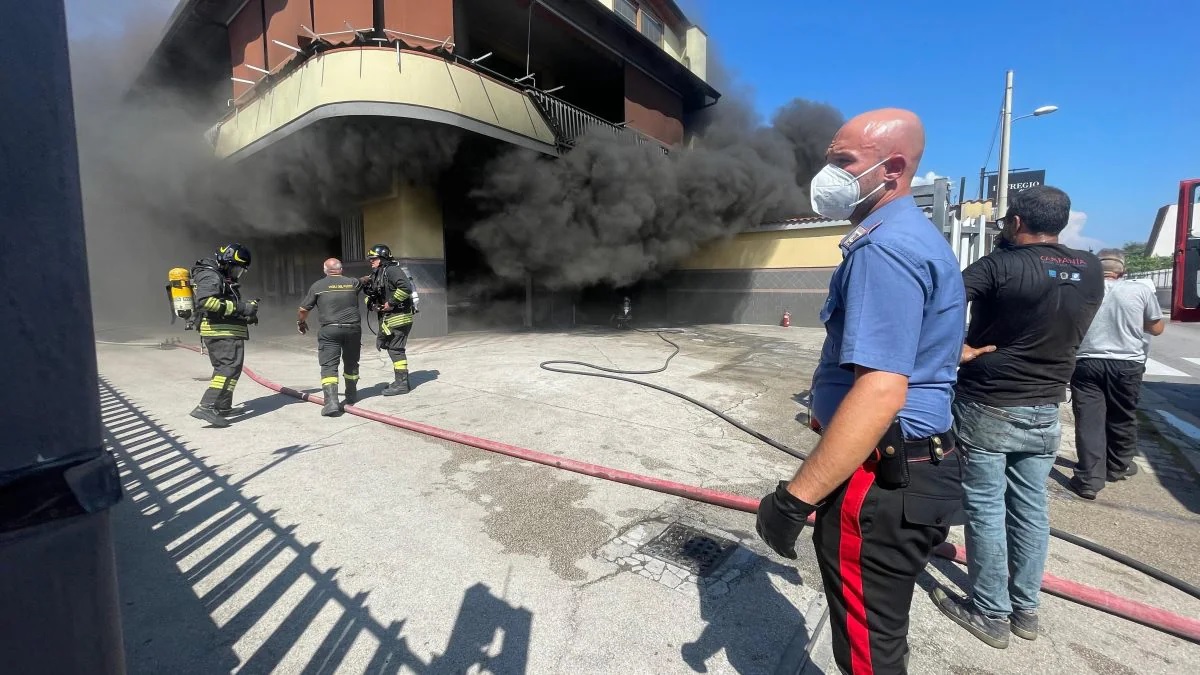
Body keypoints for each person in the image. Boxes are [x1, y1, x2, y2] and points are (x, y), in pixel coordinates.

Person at [755, 109, 967, 674]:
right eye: (830, 160)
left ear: (892, 168)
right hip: (912, 466)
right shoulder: (911, 235)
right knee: (878, 631)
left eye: (843, 161)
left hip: (882, 478)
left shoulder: (884, 250)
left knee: (870, 650)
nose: (830, 174)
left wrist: (792, 501)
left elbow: (879, 393)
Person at [934, 186, 1104, 649]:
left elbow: (937, 302)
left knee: (985, 509)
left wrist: (958, 350)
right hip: (1047, 406)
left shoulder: (999, 266)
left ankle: (990, 611)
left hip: (990, 402)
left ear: (1014, 223)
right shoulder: (1089, 268)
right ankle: (1025, 609)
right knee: (1031, 509)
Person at [1068, 249, 1165, 499]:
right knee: (1122, 416)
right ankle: (1117, 466)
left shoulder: (1081, 290)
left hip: (1086, 362)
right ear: (1123, 271)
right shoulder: (1140, 290)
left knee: (1089, 420)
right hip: (1127, 364)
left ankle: (1089, 479)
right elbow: (1157, 328)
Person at [189, 243, 258, 428]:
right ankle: (206, 406)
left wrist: (246, 315)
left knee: (231, 369)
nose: (238, 273)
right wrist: (242, 307)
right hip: (220, 332)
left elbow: (225, 304)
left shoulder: (220, 276)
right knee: (226, 369)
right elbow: (206, 302)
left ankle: (223, 405)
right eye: (236, 268)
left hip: (226, 330)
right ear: (227, 262)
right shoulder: (210, 275)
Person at [298, 258, 364, 416]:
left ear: (325, 270)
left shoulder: (318, 286)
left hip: (330, 331)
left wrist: (301, 322)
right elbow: (362, 282)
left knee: (329, 366)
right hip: (353, 329)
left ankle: (332, 402)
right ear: (341, 269)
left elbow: (303, 309)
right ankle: (351, 395)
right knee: (351, 362)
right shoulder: (352, 283)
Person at [362, 244, 416, 396]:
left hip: (399, 317)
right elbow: (372, 294)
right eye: (370, 259)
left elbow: (405, 288)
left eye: (374, 259)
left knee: (396, 349)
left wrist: (390, 303)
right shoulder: (379, 273)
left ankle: (402, 384)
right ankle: (400, 381)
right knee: (392, 347)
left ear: (383, 258)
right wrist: (371, 304)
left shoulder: (392, 270)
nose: (371, 261)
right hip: (389, 319)